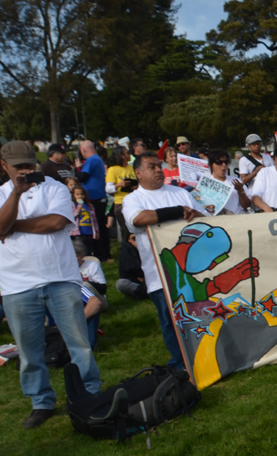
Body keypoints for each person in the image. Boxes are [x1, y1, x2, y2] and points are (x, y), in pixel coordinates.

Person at [0, 141, 101, 429]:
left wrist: (12, 225)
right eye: (18, 166)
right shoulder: (2, 193)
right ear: (4, 166)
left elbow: (56, 222)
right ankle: (41, 401)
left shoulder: (54, 187)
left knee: (79, 344)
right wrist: (16, 194)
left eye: (29, 164)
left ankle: (89, 393)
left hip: (60, 278)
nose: (25, 170)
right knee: (29, 350)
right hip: (17, 284)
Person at [123, 152, 216, 369]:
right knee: (170, 321)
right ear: (138, 173)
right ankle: (181, 365)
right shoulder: (133, 199)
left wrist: (193, 213)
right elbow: (138, 219)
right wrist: (177, 212)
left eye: (159, 166)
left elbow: (207, 219)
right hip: (159, 273)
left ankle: (208, 358)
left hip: (194, 271)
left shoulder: (181, 193)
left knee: (201, 314)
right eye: (152, 167)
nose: (158, 170)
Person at [74, 140, 110, 261]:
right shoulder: (98, 159)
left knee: (96, 227)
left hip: (93, 197)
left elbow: (81, 177)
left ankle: (101, 253)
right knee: (101, 226)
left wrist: (78, 167)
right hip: (100, 195)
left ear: (83, 150)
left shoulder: (91, 160)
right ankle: (106, 252)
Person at [206, 148, 251, 215]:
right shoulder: (205, 183)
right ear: (210, 164)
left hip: (236, 218)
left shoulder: (235, 181)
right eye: (219, 162)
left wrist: (240, 191)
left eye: (226, 162)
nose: (224, 165)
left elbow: (247, 207)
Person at [115, 231, 147, 300]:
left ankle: (144, 292)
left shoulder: (149, 248)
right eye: (134, 238)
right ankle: (146, 292)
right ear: (129, 240)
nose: (137, 241)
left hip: (150, 279)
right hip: (135, 281)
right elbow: (126, 273)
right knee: (121, 284)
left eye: (139, 238)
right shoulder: (125, 251)